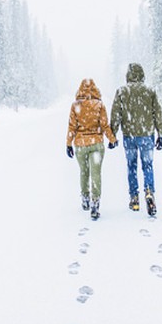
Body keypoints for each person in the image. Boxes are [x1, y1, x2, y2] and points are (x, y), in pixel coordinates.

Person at [110, 63, 162, 216]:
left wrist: (113, 134)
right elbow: (157, 113)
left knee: (131, 166)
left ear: (128, 75)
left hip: (129, 136)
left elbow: (116, 114)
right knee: (147, 165)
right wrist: (161, 133)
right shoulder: (150, 91)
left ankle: (134, 198)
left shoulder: (122, 91)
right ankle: (149, 192)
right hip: (147, 134)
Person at [66, 78, 118, 220]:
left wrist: (69, 144)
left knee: (84, 172)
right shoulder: (99, 105)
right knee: (96, 174)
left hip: (80, 144)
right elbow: (105, 125)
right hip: (96, 143)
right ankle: (95, 204)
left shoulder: (75, 105)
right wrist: (112, 139)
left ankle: (85, 199)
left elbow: (72, 126)